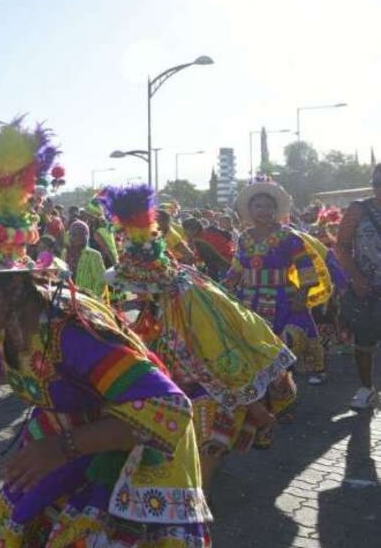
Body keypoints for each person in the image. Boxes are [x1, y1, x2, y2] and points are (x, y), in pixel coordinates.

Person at [0, 118, 210, 547]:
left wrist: (63, 448)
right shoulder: (13, 323)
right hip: (55, 457)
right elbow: (14, 362)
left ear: (16, 287)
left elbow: (169, 409)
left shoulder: (74, 335)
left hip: (111, 477)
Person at [102, 185, 294, 488]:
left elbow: (218, 354)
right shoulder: (160, 299)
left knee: (209, 437)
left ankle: (198, 496)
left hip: (214, 385)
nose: (133, 292)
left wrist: (251, 404)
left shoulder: (187, 298)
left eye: (134, 286)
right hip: (181, 382)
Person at [225, 179, 331, 386]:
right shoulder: (244, 237)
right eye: (258, 206)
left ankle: (287, 390)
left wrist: (301, 296)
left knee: (287, 345)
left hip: (283, 299)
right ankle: (265, 392)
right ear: (250, 210)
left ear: (275, 210)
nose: (263, 211)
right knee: (254, 347)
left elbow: (306, 268)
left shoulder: (288, 236)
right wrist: (221, 289)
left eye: (268, 206)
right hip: (249, 301)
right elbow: (237, 268)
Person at [335, 164, 381, 410]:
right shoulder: (358, 210)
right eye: (378, 183)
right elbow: (341, 246)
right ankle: (366, 388)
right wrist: (356, 278)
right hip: (368, 288)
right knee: (364, 342)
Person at [63, 220, 107, 298]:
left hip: (84, 299)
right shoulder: (65, 252)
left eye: (75, 234)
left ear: (84, 236)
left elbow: (101, 280)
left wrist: (92, 297)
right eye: (70, 234)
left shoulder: (93, 255)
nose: (71, 237)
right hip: (65, 294)